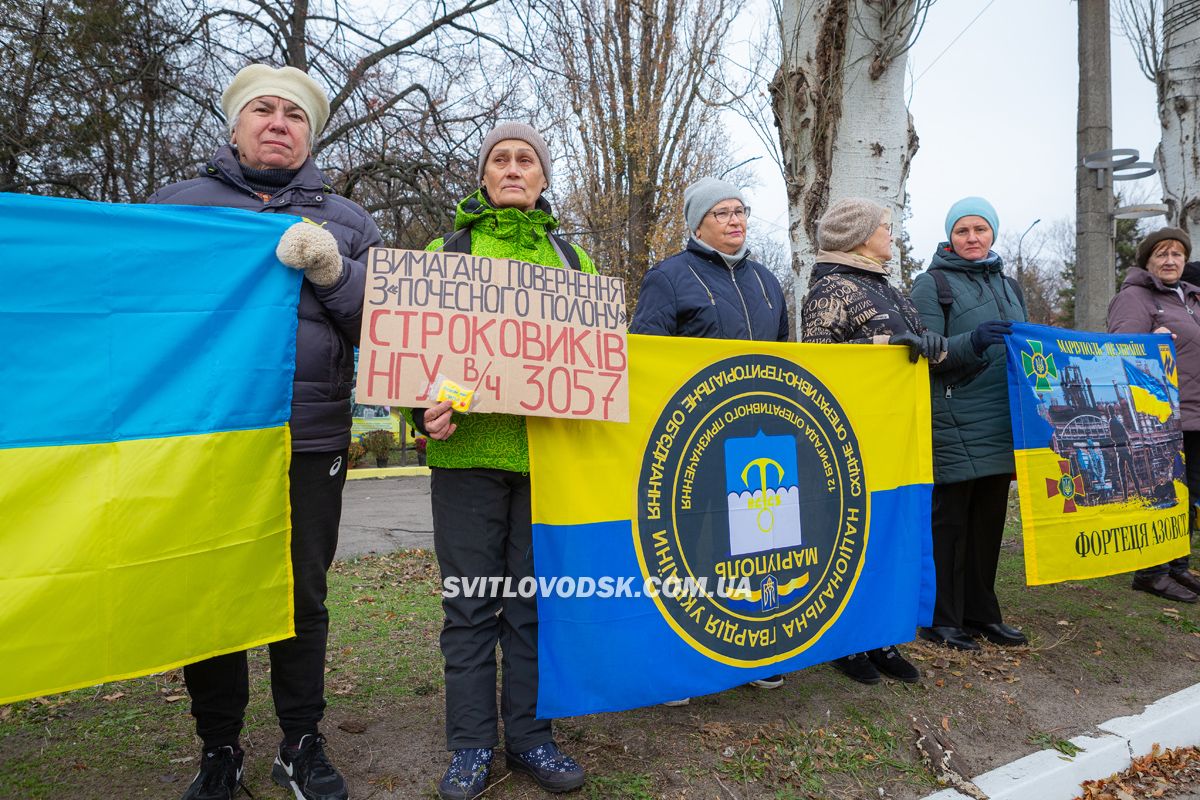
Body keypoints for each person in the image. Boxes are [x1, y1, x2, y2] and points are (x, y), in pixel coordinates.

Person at [149, 64, 380, 800]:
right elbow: (138, 313)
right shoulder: (176, 206)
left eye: (295, 115)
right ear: (236, 124)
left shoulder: (347, 220)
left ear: (310, 134)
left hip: (308, 439)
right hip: (206, 439)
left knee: (301, 595)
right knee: (213, 589)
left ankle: (300, 743)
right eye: (264, 110)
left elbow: (380, 324)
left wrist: (334, 270)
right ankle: (219, 749)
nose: (279, 123)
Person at [409, 122, 591, 800]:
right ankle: (471, 746)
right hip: (467, 459)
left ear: (543, 178)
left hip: (549, 462)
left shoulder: (574, 264)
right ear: (484, 175)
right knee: (470, 607)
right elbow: (411, 361)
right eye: (499, 158)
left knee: (533, 608)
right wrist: (416, 413)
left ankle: (532, 737)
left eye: (526, 159)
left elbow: (598, 363)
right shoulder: (445, 251)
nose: (513, 167)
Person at [630, 176, 790, 700]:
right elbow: (646, 359)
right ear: (697, 222)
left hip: (758, 443)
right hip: (691, 444)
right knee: (690, 553)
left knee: (754, 551)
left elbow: (787, 359)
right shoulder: (668, 277)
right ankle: (676, 660)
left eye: (740, 210)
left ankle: (752, 650)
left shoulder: (768, 281)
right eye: (722, 212)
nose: (735, 220)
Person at [800, 197, 945, 684]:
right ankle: (847, 643)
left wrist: (939, 345)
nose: (891, 234)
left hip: (896, 437)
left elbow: (917, 342)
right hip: (849, 438)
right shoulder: (828, 289)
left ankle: (881, 637)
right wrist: (882, 346)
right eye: (885, 226)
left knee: (888, 536)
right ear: (860, 235)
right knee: (851, 538)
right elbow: (819, 361)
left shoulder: (888, 287)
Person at [910, 197, 1029, 652]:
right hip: (954, 420)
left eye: (980, 229)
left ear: (993, 233)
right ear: (949, 238)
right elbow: (923, 351)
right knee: (951, 526)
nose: (972, 238)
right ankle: (942, 619)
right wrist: (972, 342)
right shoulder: (933, 283)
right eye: (963, 231)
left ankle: (983, 614)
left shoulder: (1010, 285)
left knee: (988, 525)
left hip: (1002, 422)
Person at [1107, 227, 1200, 603]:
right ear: (1147, 261)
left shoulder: (1188, 298)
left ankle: (1177, 566)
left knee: (1189, 495)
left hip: (1194, 414)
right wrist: (1149, 343)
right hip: (1162, 418)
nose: (1170, 260)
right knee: (1166, 493)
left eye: (1177, 254)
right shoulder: (1135, 298)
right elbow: (1119, 351)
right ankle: (1150, 571)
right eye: (1161, 253)